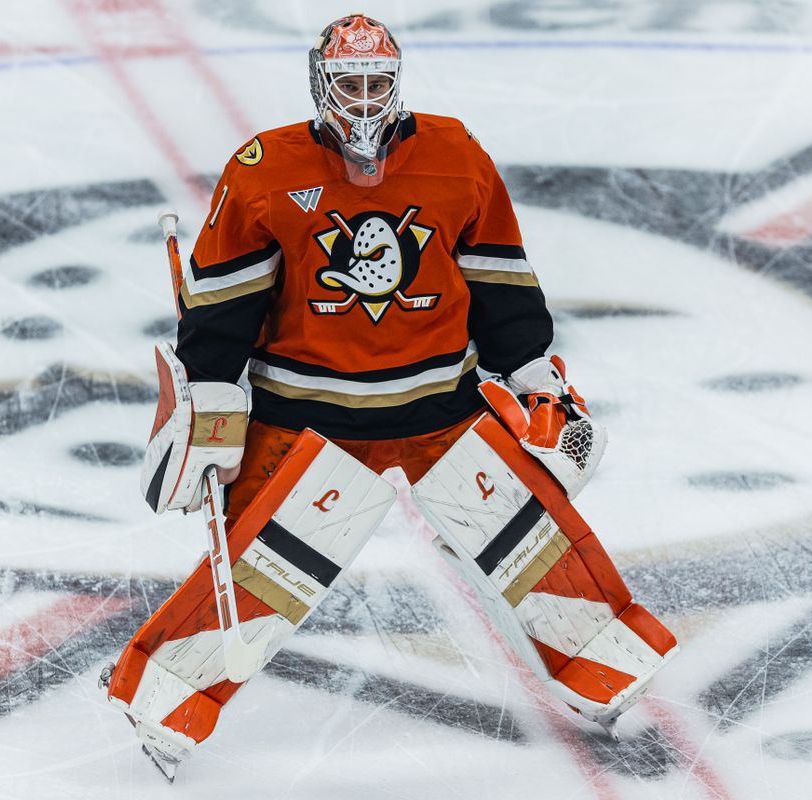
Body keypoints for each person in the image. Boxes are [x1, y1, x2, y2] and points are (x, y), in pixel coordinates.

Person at [101, 14, 677, 782]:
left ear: (397, 82)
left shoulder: (454, 154)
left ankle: (602, 665)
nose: (365, 99)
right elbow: (225, 302)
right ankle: (164, 699)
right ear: (321, 85)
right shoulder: (264, 167)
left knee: (533, 542)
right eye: (350, 84)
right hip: (308, 419)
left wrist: (533, 370)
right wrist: (206, 390)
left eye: (378, 83)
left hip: (442, 406)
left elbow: (498, 276)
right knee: (261, 574)